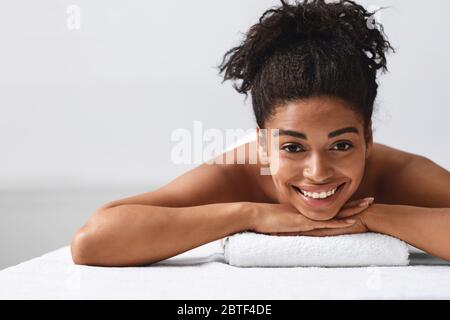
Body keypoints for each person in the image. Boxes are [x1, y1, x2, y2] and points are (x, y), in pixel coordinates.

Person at [71, 0, 450, 266]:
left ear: (367, 137)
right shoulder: (237, 174)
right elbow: (93, 240)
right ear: (263, 144)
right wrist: (250, 215)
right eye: (292, 147)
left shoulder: (396, 174)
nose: (318, 172)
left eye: (341, 144)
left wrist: (375, 217)